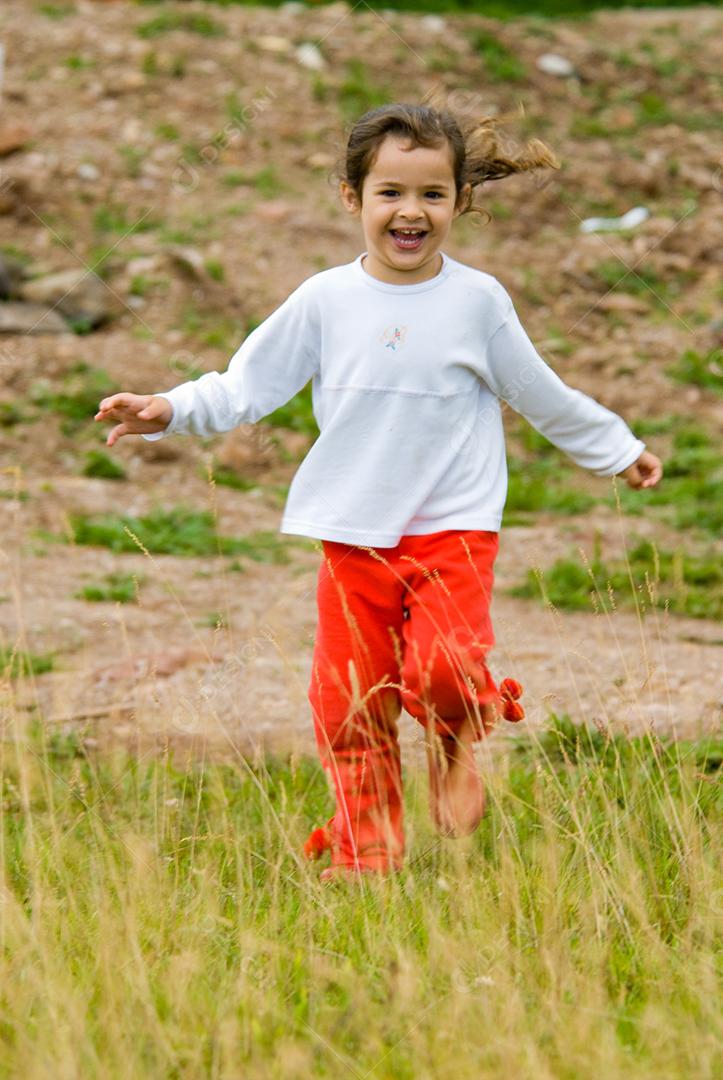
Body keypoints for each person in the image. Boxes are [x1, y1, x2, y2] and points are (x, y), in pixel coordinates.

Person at [95, 93, 663, 883]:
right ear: (351, 198)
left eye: (432, 194)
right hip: (352, 534)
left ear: (460, 201)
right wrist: (166, 409)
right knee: (348, 702)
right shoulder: (326, 299)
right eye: (390, 193)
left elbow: (540, 392)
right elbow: (243, 386)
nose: (411, 212)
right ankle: (367, 854)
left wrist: (615, 449)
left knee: (439, 670)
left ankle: (456, 736)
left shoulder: (476, 302)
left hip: (453, 530)